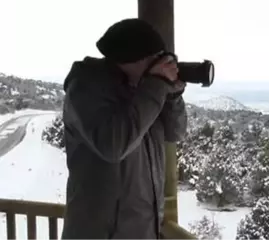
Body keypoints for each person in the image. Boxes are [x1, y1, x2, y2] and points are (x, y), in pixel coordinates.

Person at [60, 18, 187, 240]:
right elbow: (113, 145)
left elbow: (175, 132)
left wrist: (172, 95)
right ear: (131, 60)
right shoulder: (86, 90)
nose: (158, 64)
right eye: (152, 58)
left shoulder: (143, 93)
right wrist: (155, 84)